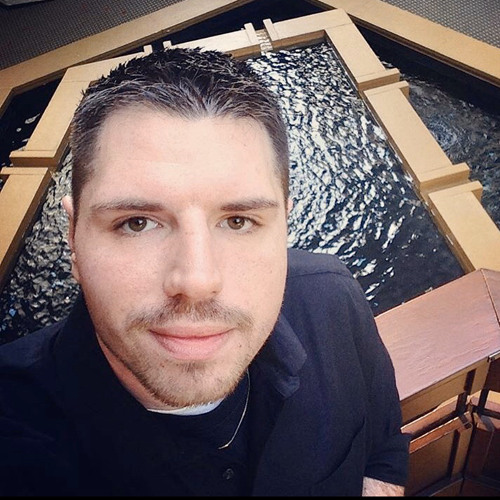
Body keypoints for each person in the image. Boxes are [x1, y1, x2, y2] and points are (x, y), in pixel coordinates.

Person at [0, 47, 410, 496]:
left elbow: (383, 450)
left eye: (238, 221)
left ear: (284, 225)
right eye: (136, 223)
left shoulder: (332, 299)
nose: (196, 281)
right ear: (73, 238)